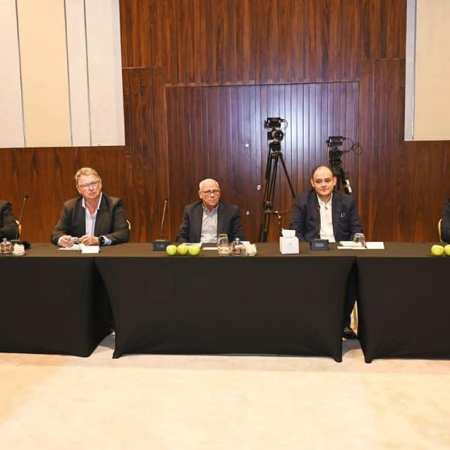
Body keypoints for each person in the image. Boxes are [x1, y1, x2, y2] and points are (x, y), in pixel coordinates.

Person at [290, 165, 363, 339]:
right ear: (312, 183)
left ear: (334, 181)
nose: (323, 184)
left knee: (353, 278)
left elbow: (356, 229)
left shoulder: (347, 201)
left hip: (341, 253)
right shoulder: (302, 201)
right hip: (313, 254)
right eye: (319, 181)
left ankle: (343, 323)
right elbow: (295, 231)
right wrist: (307, 250)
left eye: (327, 180)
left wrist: (354, 242)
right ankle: (314, 324)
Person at [51, 167, 129, 247]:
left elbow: (123, 234)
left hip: (105, 253)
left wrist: (99, 240)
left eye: (94, 183)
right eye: (85, 185)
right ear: (79, 189)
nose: (91, 188)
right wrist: (62, 239)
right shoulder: (70, 207)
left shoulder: (114, 205)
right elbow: (56, 233)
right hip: (78, 253)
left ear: (100, 184)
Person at [176, 178, 245, 243]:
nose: (212, 195)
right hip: (198, 250)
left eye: (215, 191)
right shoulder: (190, 211)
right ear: (200, 194)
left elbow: (239, 237)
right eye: (208, 192)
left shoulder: (231, 211)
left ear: (219, 194)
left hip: (220, 249)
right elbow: (181, 236)